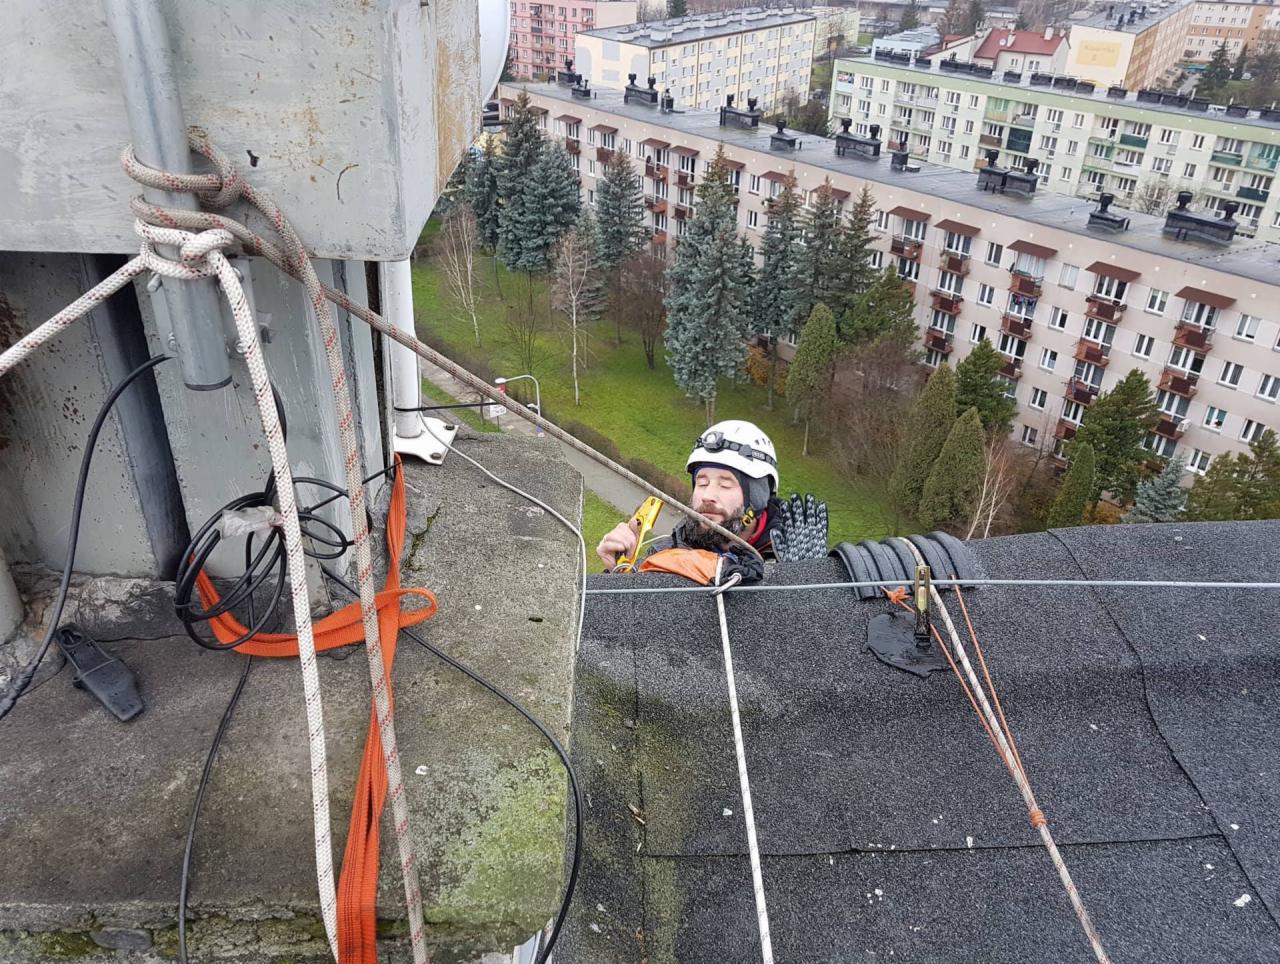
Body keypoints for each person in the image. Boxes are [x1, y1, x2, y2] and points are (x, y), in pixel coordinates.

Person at [596, 420, 787, 569]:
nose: (707, 495)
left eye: (725, 485)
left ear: (758, 497)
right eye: (702, 483)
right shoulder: (664, 556)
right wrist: (621, 573)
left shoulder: (795, 553)